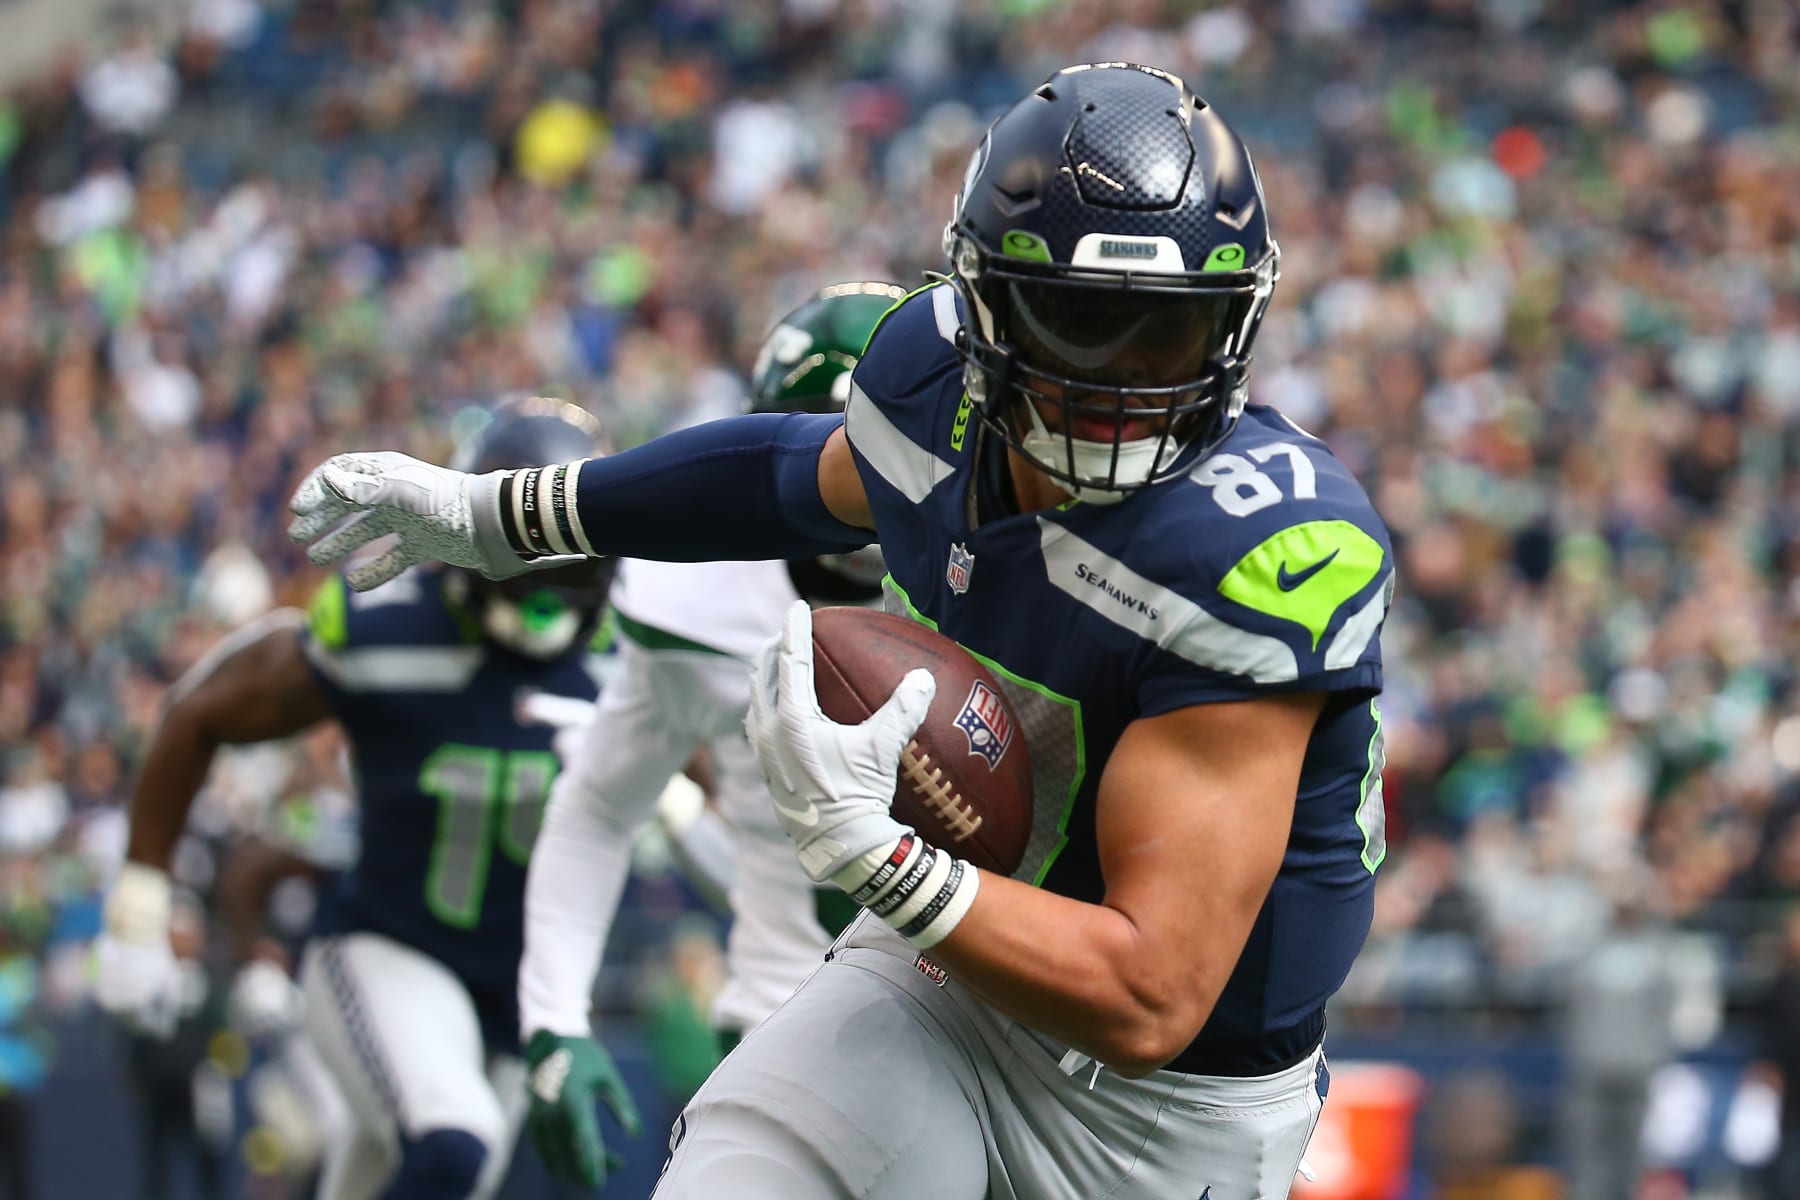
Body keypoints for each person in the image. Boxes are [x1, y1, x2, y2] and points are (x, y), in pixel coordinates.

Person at [290, 62, 1393, 1200]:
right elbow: (782, 471)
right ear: (982, 310)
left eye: (1160, 338)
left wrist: (883, 859)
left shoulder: (1262, 551)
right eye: (1074, 321)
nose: (1110, 388)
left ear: (1233, 324)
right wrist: (502, 518)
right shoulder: (931, 393)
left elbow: (1151, 995)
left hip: (1166, 1121)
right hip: (934, 985)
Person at [99, 396, 620, 1200]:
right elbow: (200, 711)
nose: (546, 608)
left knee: (427, 1172)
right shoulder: (386, 627)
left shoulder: (634, 659)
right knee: (454, 1145)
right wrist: (138, 905)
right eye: (528, 576)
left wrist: (669, 797)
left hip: (527, 988)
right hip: (391, 948)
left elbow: (726, 782)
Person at [517, 282, 903, 1189]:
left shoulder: (1014, 571)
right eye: (837, 449)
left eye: (891, 452)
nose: (865, 483)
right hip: (787, 1028)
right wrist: (554, 1017)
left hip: (996, 1042)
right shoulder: (697, 602)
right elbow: (600, 807)